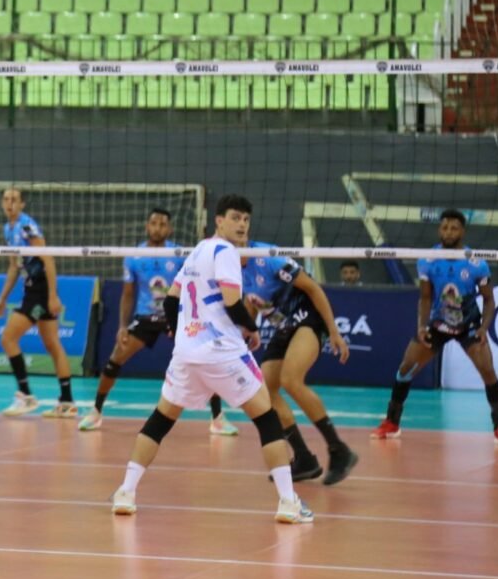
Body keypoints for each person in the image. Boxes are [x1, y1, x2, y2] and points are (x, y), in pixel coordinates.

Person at [110, 194, 314, 525]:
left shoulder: (197, 251)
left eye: (246, 220)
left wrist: (179, 336)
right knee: (267, 419)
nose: (242, 225)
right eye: (235, 218)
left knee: (161, 420)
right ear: (219, 221)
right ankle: (288, 502)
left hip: (187, 355)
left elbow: (170, 302)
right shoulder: (226, 252)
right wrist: (251, 329)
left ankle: (126, 491)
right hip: (223, 352)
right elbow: (233, 303)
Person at [80, 208, 238, 435]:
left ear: (170, 228)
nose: (157, 228)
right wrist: (122, 326)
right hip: (145, 317)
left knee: (206, 360)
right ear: (147, 226)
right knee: (115, 358)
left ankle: (217, 418)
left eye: (162, 224)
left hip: (176, 316)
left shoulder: (180, 254)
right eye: (153, 223)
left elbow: (193, 286)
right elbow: (127, 293)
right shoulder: (134, 255)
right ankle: (95, 411)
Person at [370, 209, 498, 447]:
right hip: (437, 324)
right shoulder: (428, 260)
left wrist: (484, 328)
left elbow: (489, 300)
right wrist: (421, 326)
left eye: (454, 228)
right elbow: (426, 297)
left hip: (468, 325)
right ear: (439, 230)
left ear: (463, 231)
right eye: (444, 227)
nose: (448, 232)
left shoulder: (476, 264)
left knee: (488, 372)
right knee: (406, 368)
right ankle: (392, 423)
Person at [243, 243, 359, 486]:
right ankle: (304, 458)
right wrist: (245, 333)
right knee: (265, 389)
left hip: (307, 318)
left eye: (244, 221)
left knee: (291, 380)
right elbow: (250, 305)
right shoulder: (229, 271)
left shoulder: (269, 258)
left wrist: (333, 331)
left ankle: (339, 450)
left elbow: (313, 289)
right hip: (283, 327)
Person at [0, 188, 76, 419]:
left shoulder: (27, 226)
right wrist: (2, 299)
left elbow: (47, 258)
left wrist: (52, 296)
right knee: (52, 344)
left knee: (8, 338)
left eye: (14, 200)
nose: (10, 204)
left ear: (22, 205)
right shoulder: (7, 229)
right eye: (6, 199)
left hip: (40, 290)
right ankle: (67, 402)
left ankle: (26, 395)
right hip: (31, 288)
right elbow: (14, 267)